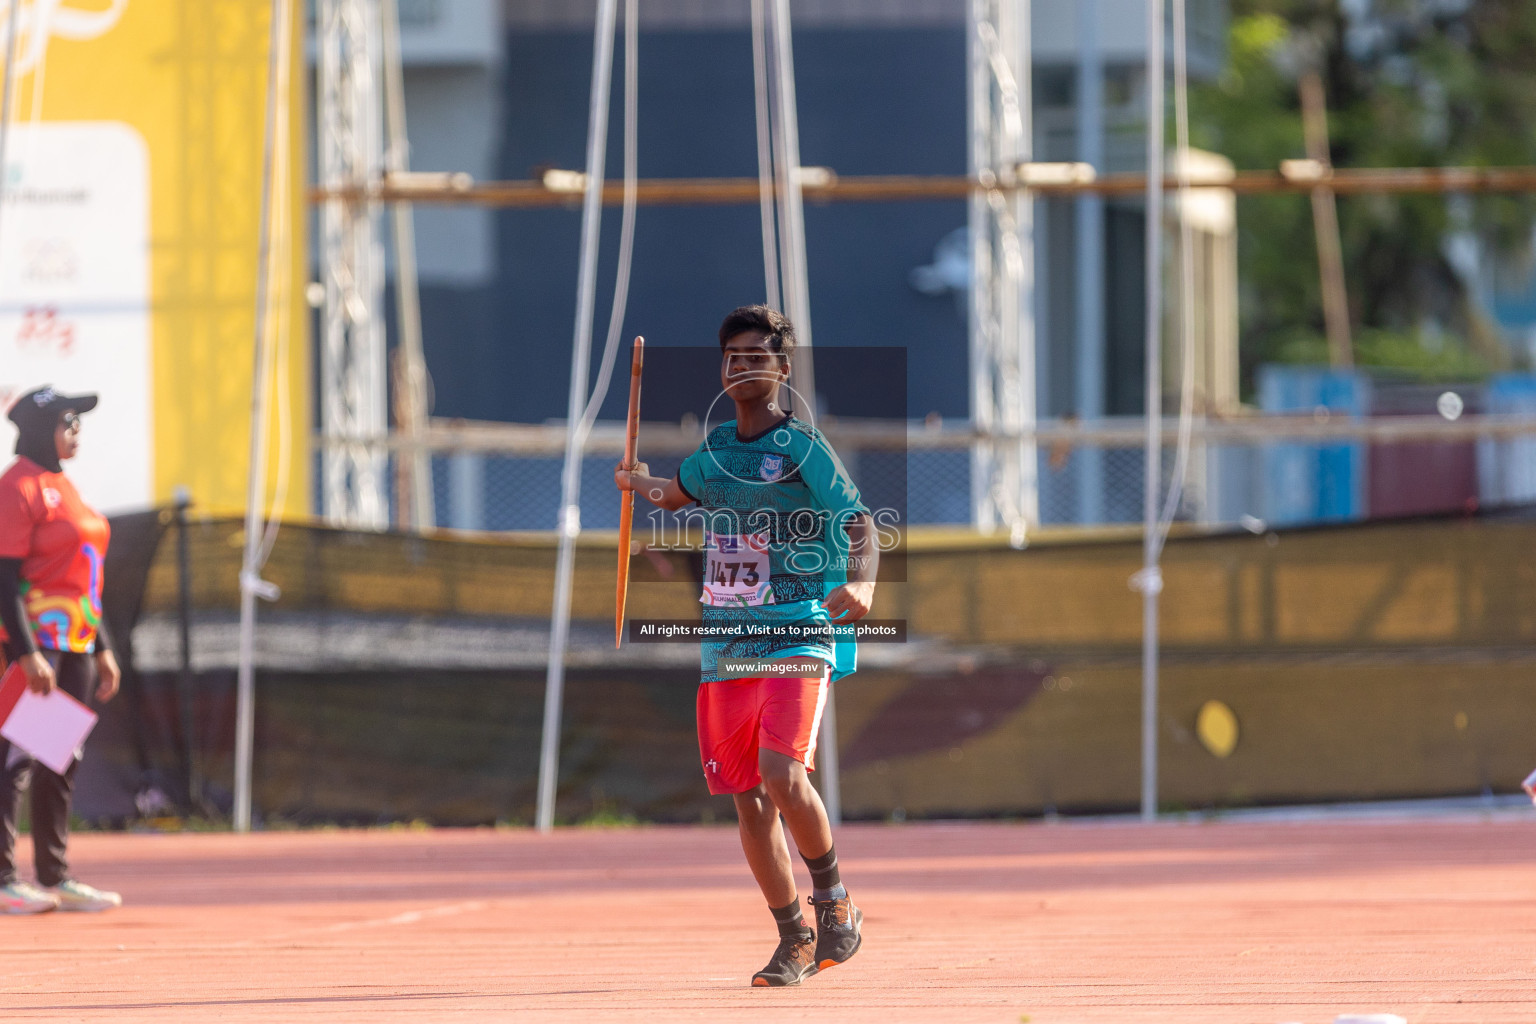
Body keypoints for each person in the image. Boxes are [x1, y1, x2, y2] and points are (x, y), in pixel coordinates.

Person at [615, 306, 878, 986]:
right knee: (748, 799)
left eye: (756, 356)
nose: (741, 367)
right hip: (727, 642)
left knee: (784, 776)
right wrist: (634, 481)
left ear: (781, 370)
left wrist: (865, 585)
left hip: (796, 627)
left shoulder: (803, 451)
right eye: (732, 357)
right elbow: (673, 495)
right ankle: (792, 937)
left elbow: (860, 524)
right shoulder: (714, 454)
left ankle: (835, 903)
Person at [0, 386, 123, 914]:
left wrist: (102, 647)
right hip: (34, 647)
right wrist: (27, 653)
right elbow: (4, 577)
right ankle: (5, 879)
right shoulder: (18, 487)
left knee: (58, 760)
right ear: (37, 427)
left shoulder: (63, 487)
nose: (76, 431)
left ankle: (54, 874)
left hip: (73, 644)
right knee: (14, 762)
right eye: (68, 420)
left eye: (79, 422)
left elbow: (83, 580)